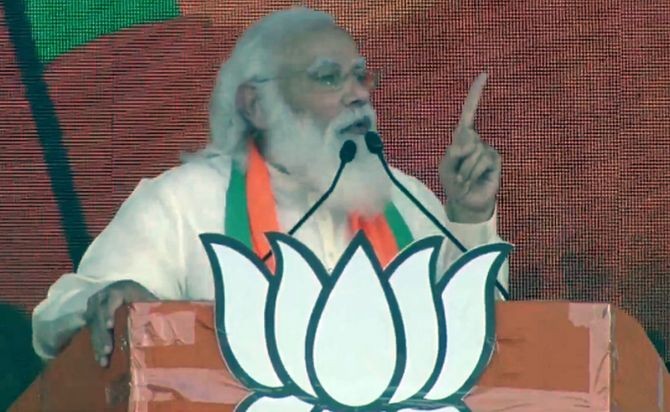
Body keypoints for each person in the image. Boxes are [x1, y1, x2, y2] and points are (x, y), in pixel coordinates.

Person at [32, 7, 508, 368]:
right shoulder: (183, 203)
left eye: (361, 76)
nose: (359, 94)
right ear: (257, 105)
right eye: (329, 78)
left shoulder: (407, 200)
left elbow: (487, 347)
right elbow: (55, 317)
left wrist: (468, 218)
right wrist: (109, 297)